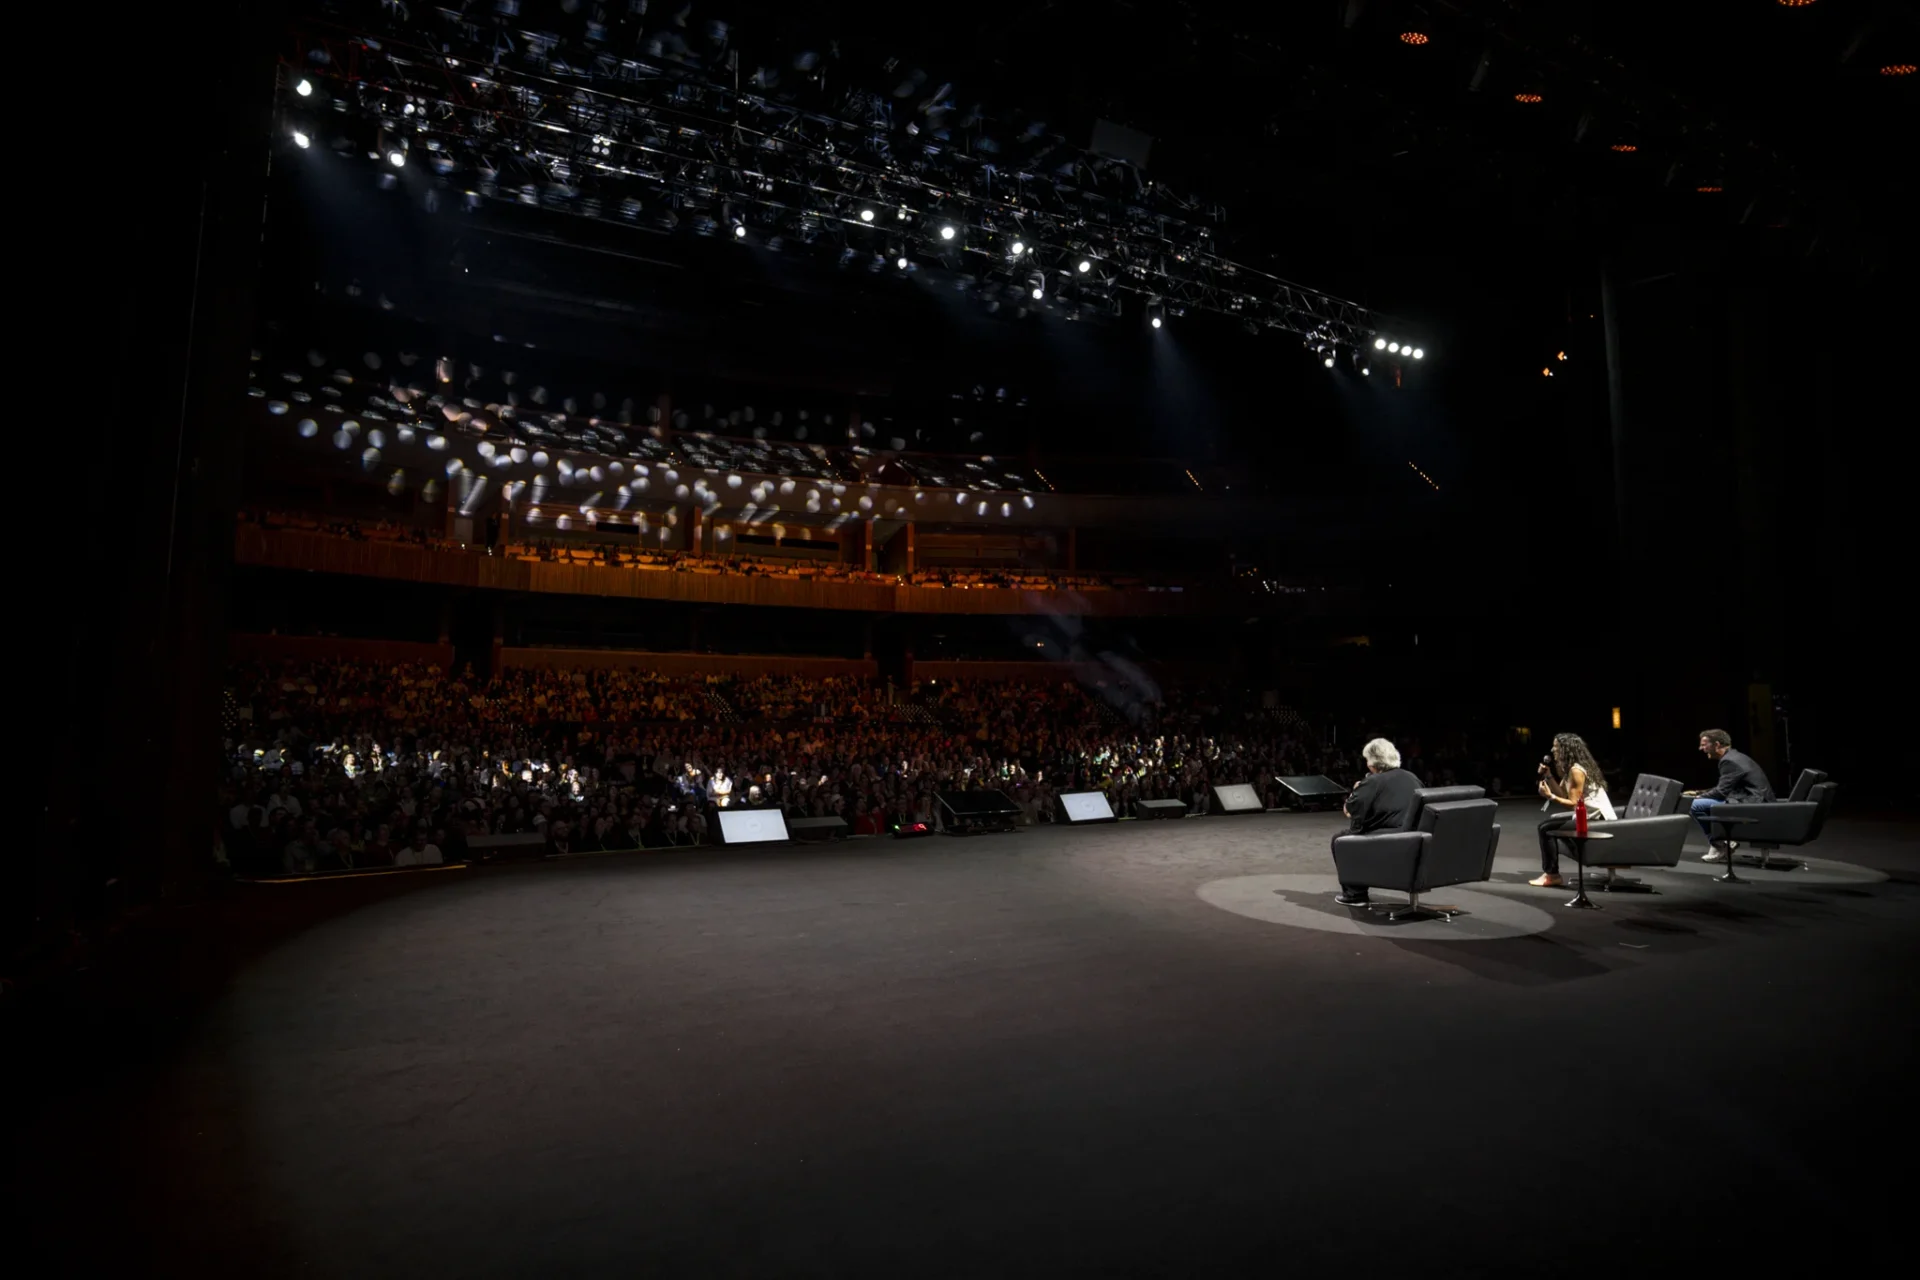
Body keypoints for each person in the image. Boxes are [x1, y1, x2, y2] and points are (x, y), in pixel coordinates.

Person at [1333, 738, 1424, 907]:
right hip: (1415, 840)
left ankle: (1355, 894)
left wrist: (1355, 791)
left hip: (1387, 841)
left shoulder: (1373, 781)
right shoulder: (1412, 778)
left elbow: (1350, 811)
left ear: (1373, 763)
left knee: (1341, 839)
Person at [1529, 733, 1616, 888]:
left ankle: (1552, 875)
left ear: (1565, 750)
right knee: (1546, 825)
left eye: (1556, 747)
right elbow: (1562, 794)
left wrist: (1550, 797)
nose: (1553, 750)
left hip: (1598, 820)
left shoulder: (1576, 771)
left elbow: (1573, 804)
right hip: (1588, 816)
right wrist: (1548, 776)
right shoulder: (1571, 768)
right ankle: (1551, 873)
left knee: (1545, 828)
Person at [1684, 729, 1775, 860]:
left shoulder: (1729, 761)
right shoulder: (1734, 756)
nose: (1701, 748)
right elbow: (1724, 788)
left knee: (1694, 805)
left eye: (1704, 745)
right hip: (1754, 799)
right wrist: (1700, 792)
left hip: (1753, 803)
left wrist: (1698, 797)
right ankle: (1722, 843)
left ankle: (1720, 844)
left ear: (1717, 745)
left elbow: (1721, 792)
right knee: (1700, 803)